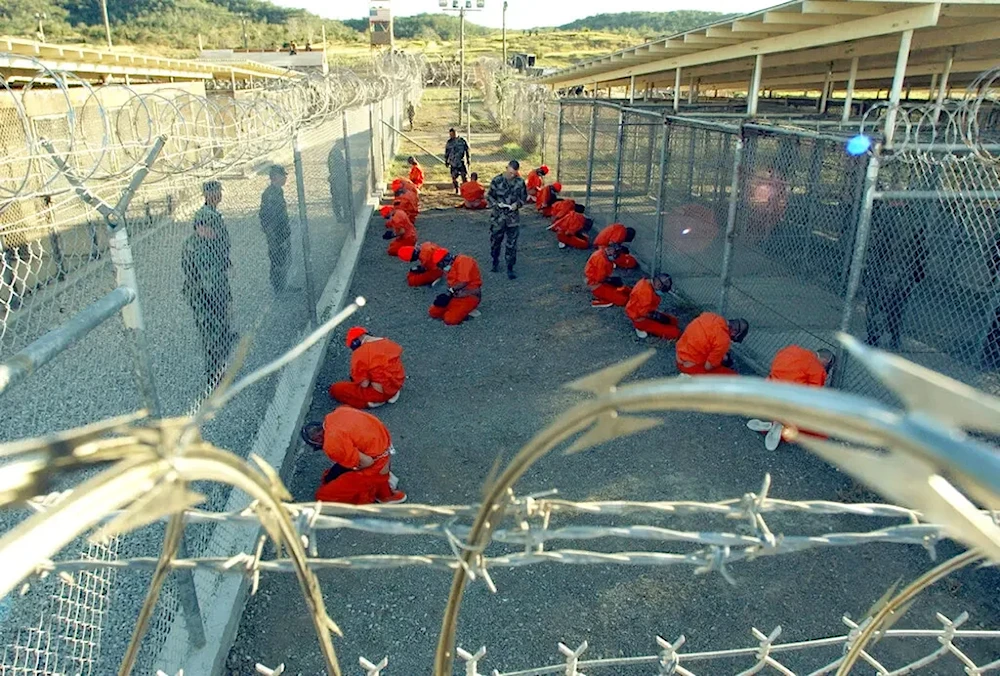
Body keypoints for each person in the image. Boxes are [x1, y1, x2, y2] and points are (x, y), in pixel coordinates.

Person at [181, 180, 238, 387]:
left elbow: (220, 255)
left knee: (219, 333)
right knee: (211, 337)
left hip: (215, 291)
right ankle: (214, 377)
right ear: (200, 227)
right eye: (209, 228)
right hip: (206, 297)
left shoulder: (208, 238)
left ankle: (220, 369)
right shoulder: (198, 248)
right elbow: (207, 281)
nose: (214, 232)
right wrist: (220, 303)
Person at [302, 406, 407, 504]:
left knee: (322, 496)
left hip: (375, 464)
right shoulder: (338, 413)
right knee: (330, 476)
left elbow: (367, 462)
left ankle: (376, 490)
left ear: (319, 440)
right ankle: (382, 481)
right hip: (383, 448)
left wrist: (355, 468)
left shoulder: (332, 443)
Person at [747, 346, 835, 450]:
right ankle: (780, 427)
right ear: (825, 360)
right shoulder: (818, 370)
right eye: (828, 366)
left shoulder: (791, 349)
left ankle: (775, 423)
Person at [864, 211, 928, 351]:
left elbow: (920, 248)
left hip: (893, 270)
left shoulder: (891, 219)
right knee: (894, 305)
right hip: (899, 270)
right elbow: (921, 248)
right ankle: (888, 336)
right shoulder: (912, 219)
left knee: (885, 304)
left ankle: (878, 335)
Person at [328, 327, 406, 409]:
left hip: (379, 393)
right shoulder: (388, 343)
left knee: (336, 389)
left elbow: (364, 384)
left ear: (355, 342)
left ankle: (372, 402)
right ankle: (392, 394)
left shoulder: (360, 353)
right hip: (397, 384)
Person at [487, 160, 529, 280]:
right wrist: (496, 204)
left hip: (512, 219)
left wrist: (518, 204)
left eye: (513, 174)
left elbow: (523, 197)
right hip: (498, 218)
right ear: (506, 168)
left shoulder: (520, 182)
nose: (511, 175)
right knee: (495, 242)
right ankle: (495, 261)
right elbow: (489, 196)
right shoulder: (497, 180)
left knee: (512, 245)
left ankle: (510, 267)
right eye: (510, 172)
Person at [675, 313, 749, 376]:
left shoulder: (710, 316)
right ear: (734, 332)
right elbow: (708, 367)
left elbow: (706, 339)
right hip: (689, 368)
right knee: (733, 376)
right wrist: (721, 360)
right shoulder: (723, 340)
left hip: (679, 357)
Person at [428, 248, 482, 325]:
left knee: (450, 319)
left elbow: (464, 281)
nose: (441, 267)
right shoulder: (450, 265)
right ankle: (459, 310)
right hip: (455, 294)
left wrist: (450, 291)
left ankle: (463, 311)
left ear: (445, 260)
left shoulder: (464, 261)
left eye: (440, 264)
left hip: (470, 294)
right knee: (433, 312)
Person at [259, 165, 290, 293]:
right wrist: (273, 237)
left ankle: (282, 284)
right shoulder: (270, 194)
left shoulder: (278, 191)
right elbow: (268, 218)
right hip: (276, 234)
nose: (285, 178)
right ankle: (278, 287)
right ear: (276, 177)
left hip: (281, 232)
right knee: (277, 259)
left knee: (283, 259)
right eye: (283, 176)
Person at [625, 274, 680, 339]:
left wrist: (657, 316)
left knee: (673, 321)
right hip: (640, 319)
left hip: (645, 312)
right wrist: (656, 317)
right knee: (675, 333)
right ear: (659, 285)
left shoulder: (645, 282)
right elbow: (642, 313)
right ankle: (640, 328)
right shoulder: (646, 294)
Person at [445, 128, 471, 193]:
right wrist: (446, 161)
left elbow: (467, 150)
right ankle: (457, 189)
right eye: (450, 134)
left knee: (464, 177)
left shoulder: (462, 141)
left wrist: (468, 159)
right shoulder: (449, 142)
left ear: (456, 133)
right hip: (453, 163)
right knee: (454, 177)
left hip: (461, 162)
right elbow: (447, 152)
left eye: (453, 134)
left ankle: (466, 190)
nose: (452, 135)